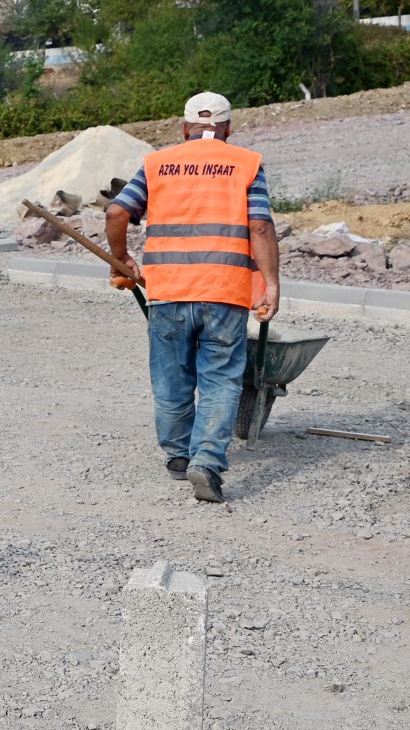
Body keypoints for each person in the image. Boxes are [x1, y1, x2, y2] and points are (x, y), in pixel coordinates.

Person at [105, 91, 280, 505]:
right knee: (220, 380)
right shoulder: (247, 164)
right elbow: (260, 228)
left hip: (167, 290)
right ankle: (207, 460)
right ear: (228, 129)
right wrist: (272, 284)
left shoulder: (156, 164)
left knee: (171, 377)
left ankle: (179, 458)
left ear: (184, 129)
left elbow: (116, 213)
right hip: (225, 290)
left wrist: (120, 259)